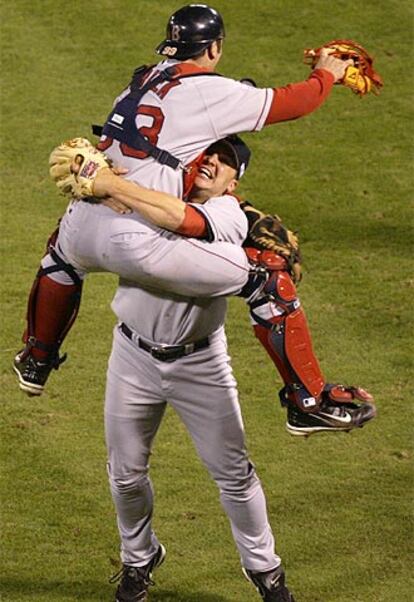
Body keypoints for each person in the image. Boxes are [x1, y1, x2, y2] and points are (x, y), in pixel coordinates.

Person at [14, 3, 353, 414]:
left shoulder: (145, 78)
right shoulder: (212, 91)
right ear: (214, 48)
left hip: (84, 218)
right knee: (267, 277)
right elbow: (294, 102)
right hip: (139, 235)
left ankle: (37, 358)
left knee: (60, 259)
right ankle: (309, 400)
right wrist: (326, 74)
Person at [100, 135, 296, 602]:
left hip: (201, 364)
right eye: (209, 153)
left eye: (225, 161)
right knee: (124, 472)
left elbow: (182, 220)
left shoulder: (228, 215)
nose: (212, 163)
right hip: (131, 356)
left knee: (234, 472)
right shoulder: (158, 189)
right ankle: (138, 558)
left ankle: (266, 572)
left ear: (234, 181)